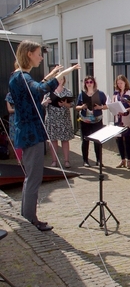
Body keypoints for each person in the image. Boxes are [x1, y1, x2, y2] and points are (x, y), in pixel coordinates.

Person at [9, 39, 80, 231]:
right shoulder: (21, 77)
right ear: (29, 54)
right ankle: (30, 219)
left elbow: (29, 95)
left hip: (28, 131)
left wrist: (50, 76)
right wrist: (62, 75)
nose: (41, 57)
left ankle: (27, 215)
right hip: (31, 134)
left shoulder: (18, 77)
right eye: (39, 54)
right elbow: (39, 90)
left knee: (31, 176)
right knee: (34, 177)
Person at [42, 76, 75, 169]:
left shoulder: (67, 92)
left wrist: (65, 104)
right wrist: (46, 102)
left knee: (65, 140)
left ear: (64, 80)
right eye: (58, 79)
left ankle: (66, 161)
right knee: (53, 141)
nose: (60, 81)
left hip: (64, 120)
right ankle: (54, 161)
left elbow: (72, 105)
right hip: (52, 120)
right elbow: (42, 105)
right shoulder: (48, 92)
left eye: (61, 79)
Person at [75, 76, 108, 167]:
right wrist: (82, 107)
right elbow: (76, 107)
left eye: (91, 82)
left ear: (94, 83)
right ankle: (85, 160)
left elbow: (107, 105)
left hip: (97, 120)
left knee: (97, 141)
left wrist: (99, 107)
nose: (89, 84)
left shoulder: (100, 94)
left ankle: (99, 160)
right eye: (87, 82)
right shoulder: (82, 95)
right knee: (85, 141)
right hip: (85, 121)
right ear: (85, 84)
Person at [112, 75, 130, 169]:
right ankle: (122, 160)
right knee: (119, 140)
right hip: (117, 119)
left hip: (126, 119)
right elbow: (113, 104)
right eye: (118, 83)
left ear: (125, 82)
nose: (119, 85)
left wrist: (126, 110)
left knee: (127, 139)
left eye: (121, 83)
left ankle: (129, 160)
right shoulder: (116, 93)